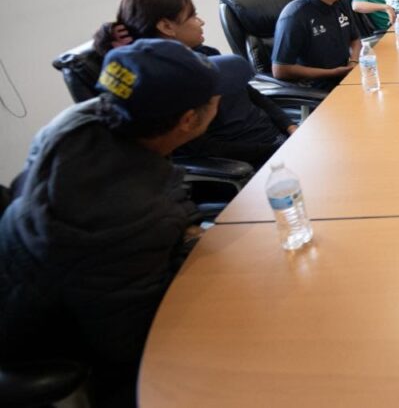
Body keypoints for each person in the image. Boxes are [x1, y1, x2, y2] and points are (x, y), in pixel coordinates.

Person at [0, 39, 246, 406]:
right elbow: (132, 341)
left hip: (34, 283)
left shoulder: (79, 120)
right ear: (188, 120)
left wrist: (185, 225)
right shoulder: (134, 215)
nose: (220, 102)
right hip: (59, 344)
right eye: (215, 98)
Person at [94, 0, 296, 167]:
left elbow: (252, 94)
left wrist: (290, 126)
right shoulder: (164, 85)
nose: (201, 21)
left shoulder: (207, 53)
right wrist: (274, 151)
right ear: (166, 27)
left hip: (277, 141)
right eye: (193, 16)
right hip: (254, 161)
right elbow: (201, 147)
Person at [272, 0, 362, 90]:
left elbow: (355, 39)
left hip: (348, 77)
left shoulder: (341, 1)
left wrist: (354, 61)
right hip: (319, 90)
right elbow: (280, 70)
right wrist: (332, 73)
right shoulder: (293, 16)